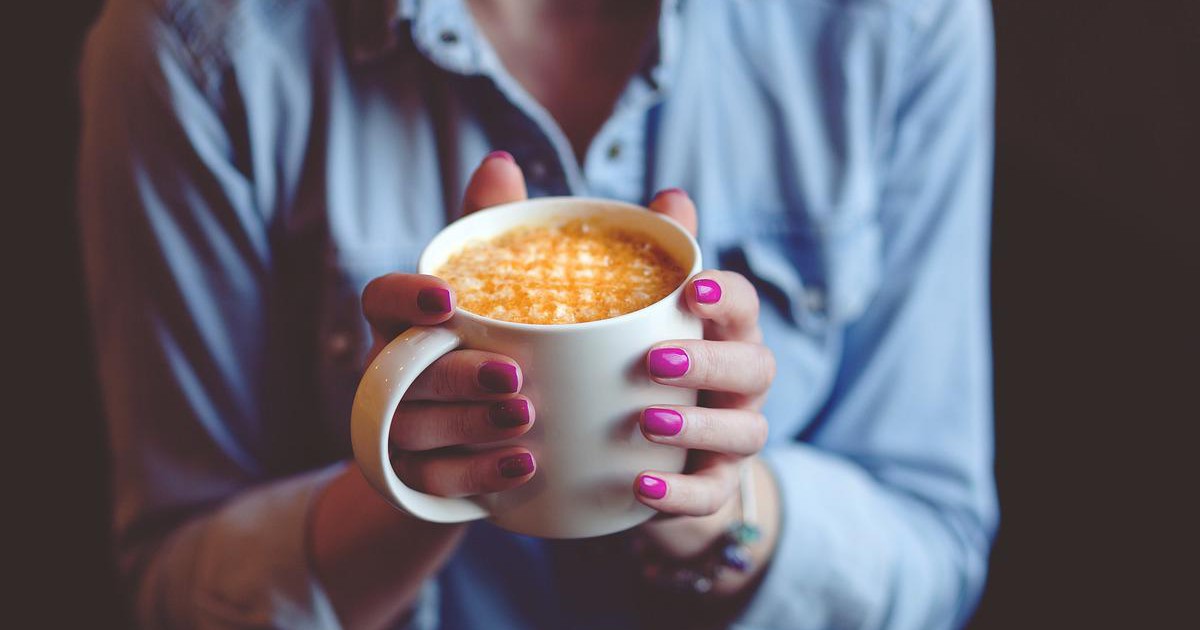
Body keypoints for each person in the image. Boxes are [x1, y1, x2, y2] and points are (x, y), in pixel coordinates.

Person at [78, 0, 997, 628]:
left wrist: (721, 514)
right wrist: (409, 493)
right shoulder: (198, 47)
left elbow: (936, 543)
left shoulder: (896, 24)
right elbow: (172, 581)